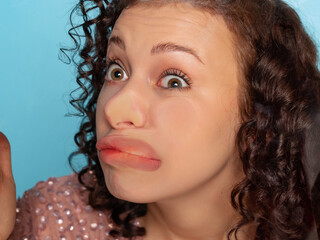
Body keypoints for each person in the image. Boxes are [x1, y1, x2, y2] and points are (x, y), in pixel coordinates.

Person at [0, 0, 319, 239]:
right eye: (117, 71)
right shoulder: (49, 221)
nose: (114, 109)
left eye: (173, 80)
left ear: (260, 118)